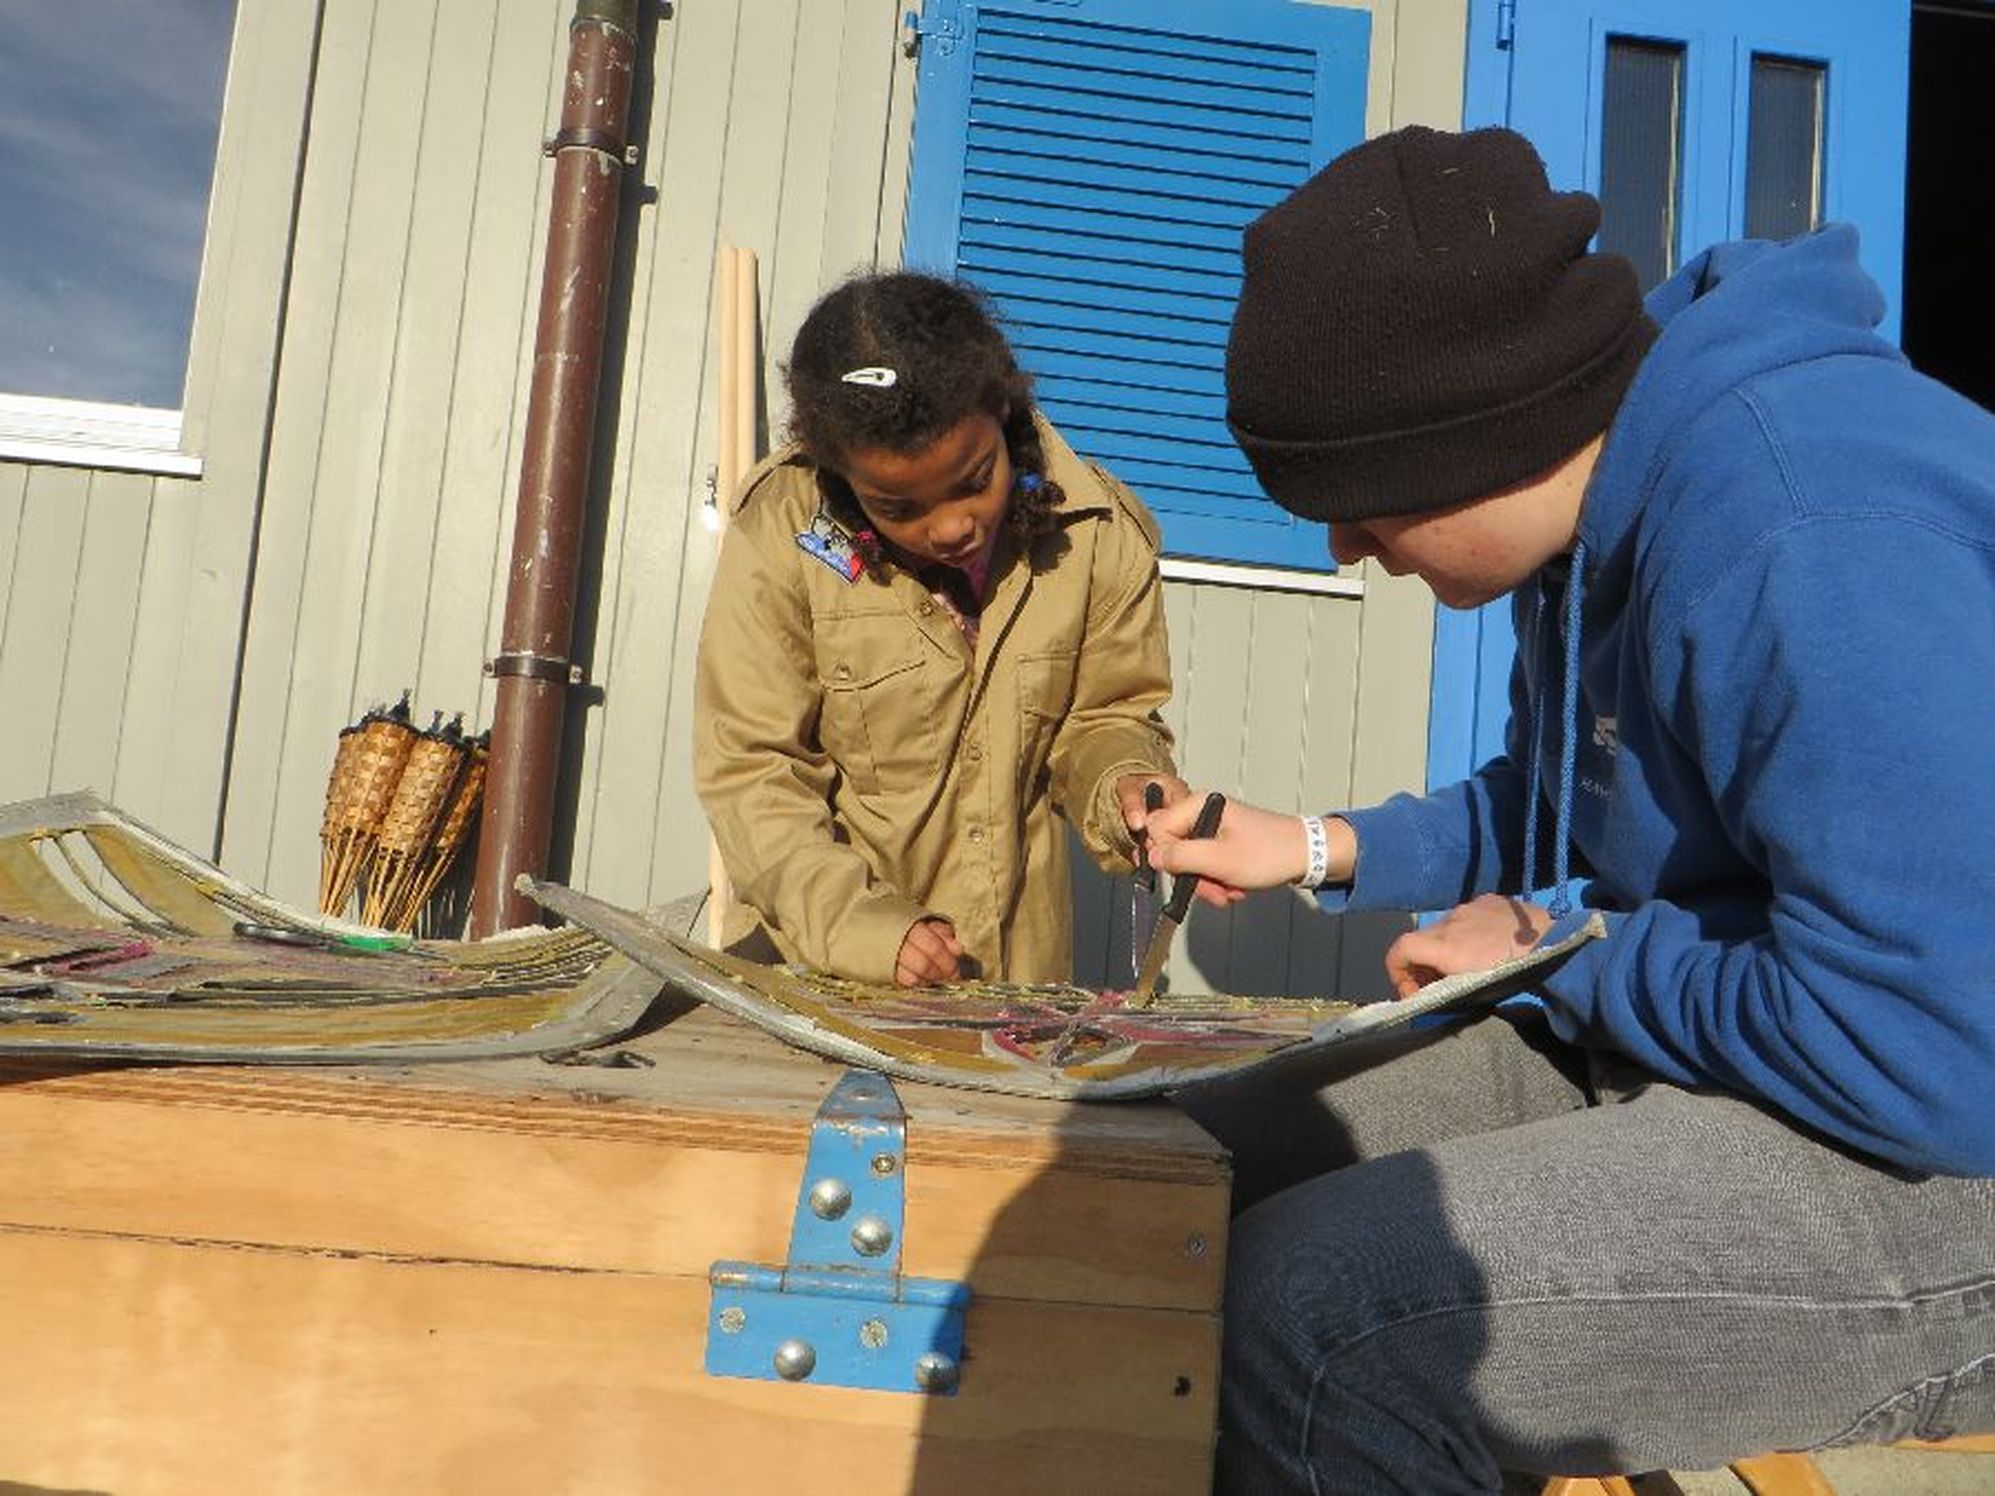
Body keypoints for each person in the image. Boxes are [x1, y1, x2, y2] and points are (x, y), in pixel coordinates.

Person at [1138, 125, 1995, 1492]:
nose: (1344, 546)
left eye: (1353, 499)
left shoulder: (1810, 530)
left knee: (1324, 1325)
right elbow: (1573, 799)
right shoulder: (1590, 517)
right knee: (1178, 1174)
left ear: (1466, 429)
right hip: (1757, 1046)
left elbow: (1925, 1047)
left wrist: (1566, 951)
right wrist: (1312, 845)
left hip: (1942, 1138)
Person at [694, 270, 1185, 988]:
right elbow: (753, 770)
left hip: (1014, 992)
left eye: (974, 480)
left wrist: (1128, 787)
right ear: (840, 477)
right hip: (821, 984)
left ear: (1003, 409)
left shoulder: (1099, 536)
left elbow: (1106, 718)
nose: (953, 527)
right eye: (898, 508)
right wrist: (863, 928)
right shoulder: (782, 535)